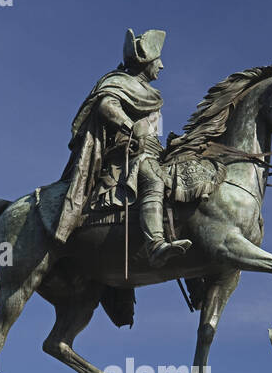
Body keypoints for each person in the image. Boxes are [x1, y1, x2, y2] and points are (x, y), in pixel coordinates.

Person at [54, 28, 192, 267]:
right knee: (153, 179)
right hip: (125, 153)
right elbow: (106, 106)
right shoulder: (119, 82)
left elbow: (153, 134)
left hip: (150, 152)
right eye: (158, 61)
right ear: (146, 62)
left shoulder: (154, 95)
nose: (162, 67)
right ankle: (155, 244)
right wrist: (129, 126)